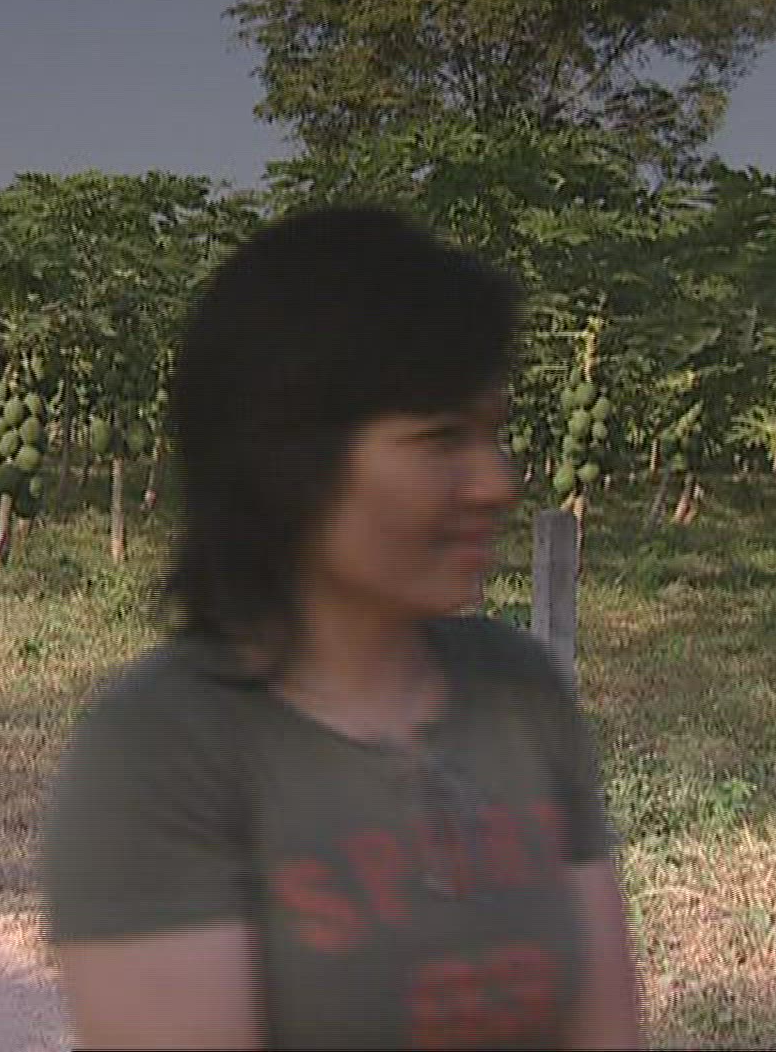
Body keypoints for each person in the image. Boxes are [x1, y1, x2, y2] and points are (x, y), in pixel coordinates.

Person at [39, 205, 645, 1050]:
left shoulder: (522, 692)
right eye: (441, 440)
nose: (496, 482)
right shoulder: (159, 756)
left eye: (491, 434)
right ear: (290, 462)